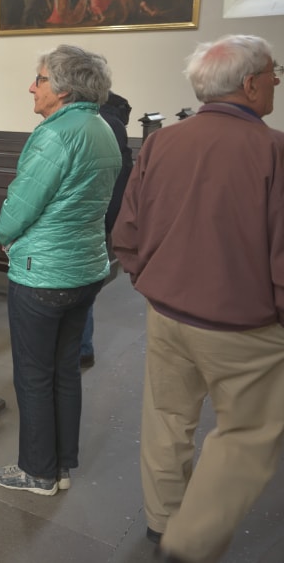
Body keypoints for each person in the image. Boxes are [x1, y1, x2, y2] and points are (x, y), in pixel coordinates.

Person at [112, 35, 284, 563]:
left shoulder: (163, 142)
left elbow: (129, 227)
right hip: (243, 324)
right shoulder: (274, 148)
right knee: (247, 433)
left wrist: (149, 279)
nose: (277, 80)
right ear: (251, 82)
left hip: (166, 312)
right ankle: (190, 545)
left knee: (167, 419)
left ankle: (163, 524)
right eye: (273, 72)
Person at [0, 45, 121, 496]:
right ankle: (61, 465)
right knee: (64, 370)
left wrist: (4, 235)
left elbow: (20, 205)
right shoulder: (101, 127)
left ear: (62, 89)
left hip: (43, 273)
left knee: (32, 373)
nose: (32, 86)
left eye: (39, 78)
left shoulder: (55, 134)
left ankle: (37, 471)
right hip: (84, 269)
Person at [79, 90, 134, 367]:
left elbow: (114, 182)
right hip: (96, 218)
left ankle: (82, 346)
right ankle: (81, 346)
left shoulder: (104, 124)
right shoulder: (110, 122)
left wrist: (104, 223)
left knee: (81, 285)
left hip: (91, 218)